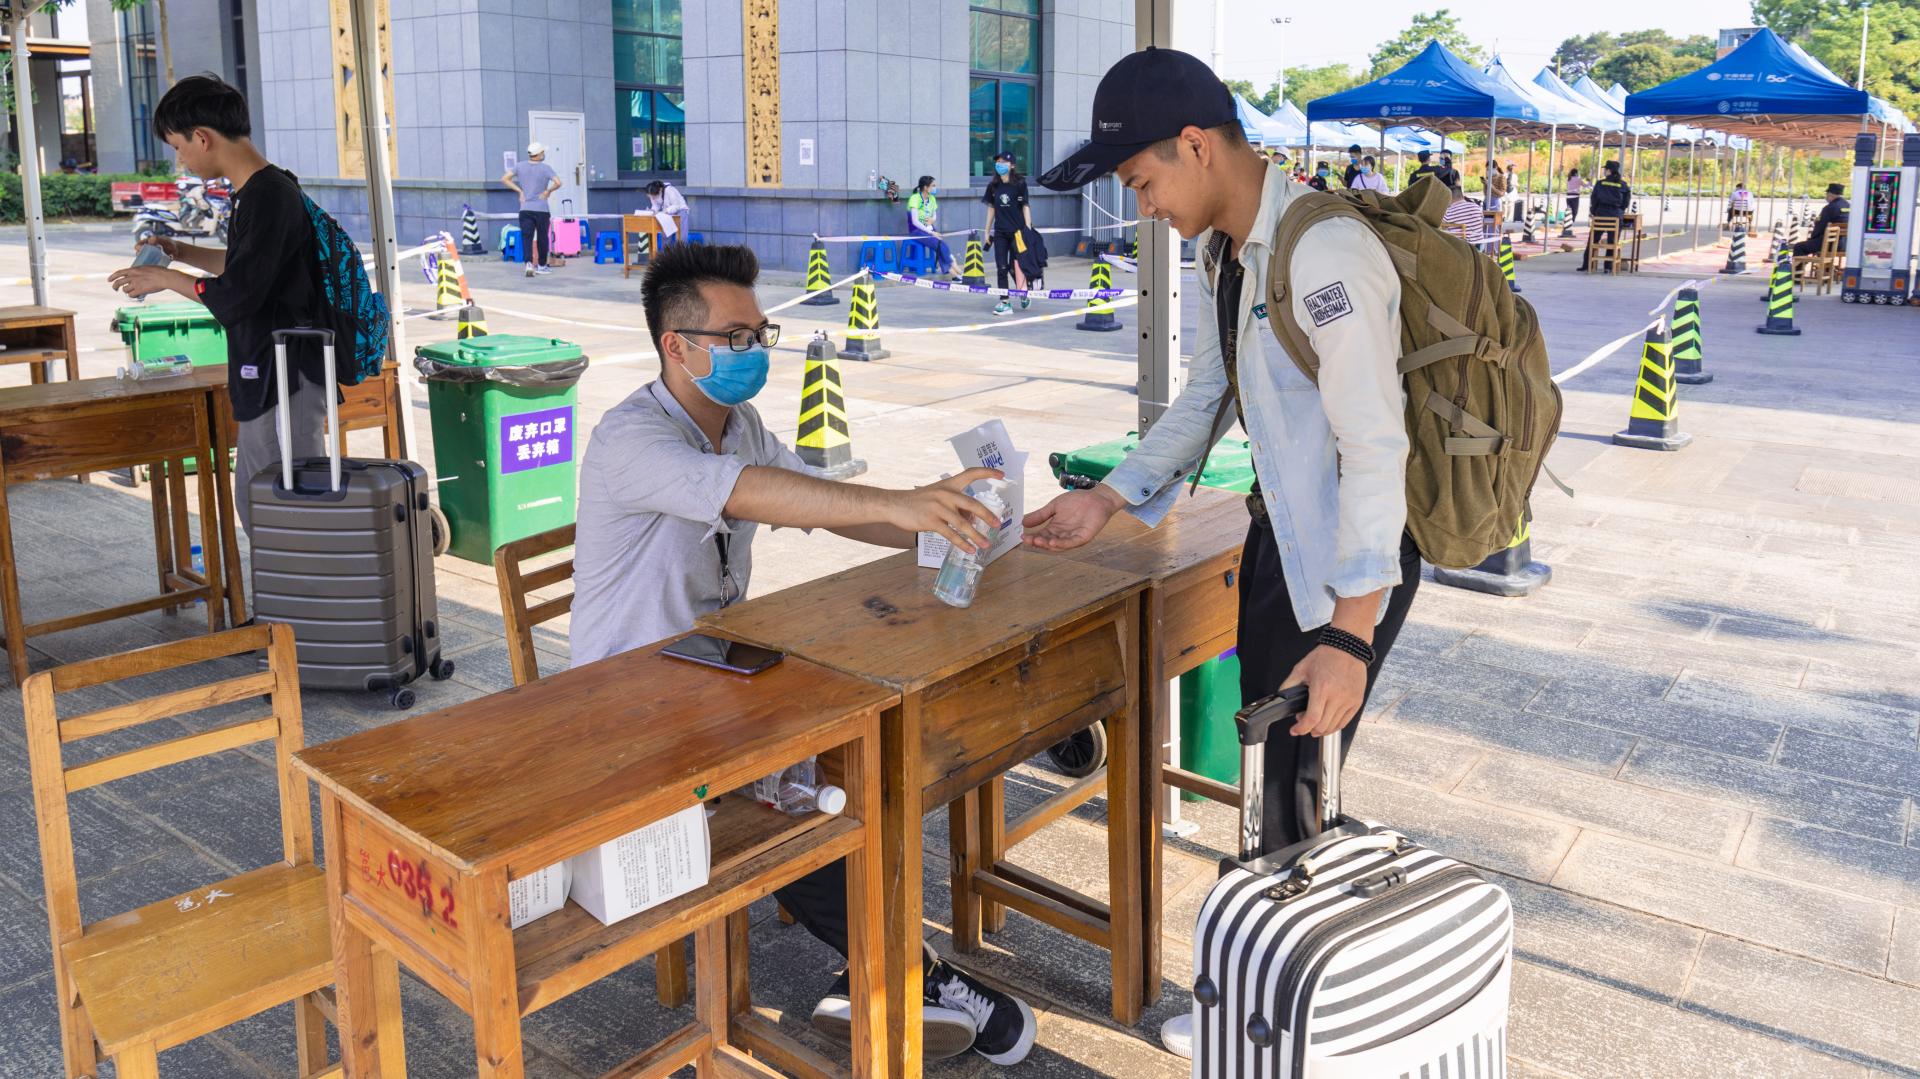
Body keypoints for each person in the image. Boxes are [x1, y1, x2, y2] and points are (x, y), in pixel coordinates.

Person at [1034, 47, 1424, 1057]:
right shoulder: (1229, 252)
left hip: (1341, 568)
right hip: (1282, 541)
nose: (1144, 206)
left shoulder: (1322, 254)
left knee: (1290, 792)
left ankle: (1273, 1020)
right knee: (1282, 783)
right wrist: (1109, 497)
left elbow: (1376, 447)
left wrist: (1350, 636)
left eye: (1143, 182)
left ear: (1196, 145)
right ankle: (1276, 1001)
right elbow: (1209, 394)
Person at [571, 242, 1038, 1065]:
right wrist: (904, 503)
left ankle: (873, 965)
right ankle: (905, 970)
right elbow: (751, 492)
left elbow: (820, 504)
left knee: (867, 748)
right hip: (629, 701)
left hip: (717, 669)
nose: (754, 351)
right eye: (735, 338)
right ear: (676, 346)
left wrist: (938, 519)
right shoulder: (631, 438)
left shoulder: (739, 425)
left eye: (761, 335)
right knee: (797, 797)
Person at [106, 74, 329, 538]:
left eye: (178, 147)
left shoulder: (268, 195)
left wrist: (167, 278)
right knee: (262, 499)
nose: (181, 159)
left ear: (202, 137)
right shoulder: (262, 190)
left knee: (279, 508)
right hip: (272, 371)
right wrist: (180, 252)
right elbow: (248, 267)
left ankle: (296, 588)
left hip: (282, 374)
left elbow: (238, 294)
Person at [982, 150, 1036, 316]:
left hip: (1018, 232)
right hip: (1000, 233)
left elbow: (1025, 206)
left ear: (1012, 165)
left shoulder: (1020, 183)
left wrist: (1028, 229)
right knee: (1001, 267)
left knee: (1016, 266)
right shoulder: (993, 186)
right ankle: (1005, 302)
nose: (1000, 165)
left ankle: (1023, 290)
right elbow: (991, 209)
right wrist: (987, 231)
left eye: (1003, 162)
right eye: (998, 162)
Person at [504, 141, 561, 277]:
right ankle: (541, 265)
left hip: (525, 209)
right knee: (542, 237)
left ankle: (528, 264)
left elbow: (505, 179)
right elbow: (558, 183)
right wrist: (548, 191)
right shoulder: (546, 168)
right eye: (543, 152)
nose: (544, 154)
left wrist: (520, 191)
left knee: (527, 237)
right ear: (539, 154)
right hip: (542, 209)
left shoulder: (519, 166)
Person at [1580, 161, 1633, 272]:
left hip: (1601, 214)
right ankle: (1608, 267)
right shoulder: (1623, 185)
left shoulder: (1600, 183)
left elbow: (1594, 199)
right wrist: (1620, 211)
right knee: (1612, 241)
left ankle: (1587, 265)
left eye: (1605, 169)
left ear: (1608, 171)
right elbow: (1626, 202)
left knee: (1593, 239)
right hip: (1615, 216)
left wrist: (1594, 212)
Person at [906, 175, 956, 278]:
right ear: (925, 187)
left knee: (941, 245)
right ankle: (955, 271)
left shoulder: (932, 198)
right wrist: (931, 233)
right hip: (916, 231)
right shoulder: (915, 198)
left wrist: (933, 219)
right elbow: (915, 222)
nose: (935, 188)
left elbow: (934, 215)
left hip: (929, 229)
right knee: (940, 245)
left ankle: (953, 273)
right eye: (933, 185)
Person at [1793, 182, 1849, 256]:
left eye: (1827, 194)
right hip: (1846, 244)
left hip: (1829, 244)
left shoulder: (1830, 208)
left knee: (1798, 247)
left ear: (1830, 194)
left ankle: (1801, 264)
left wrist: (1812, 239)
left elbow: (1820, 227)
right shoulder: (1849, 206)